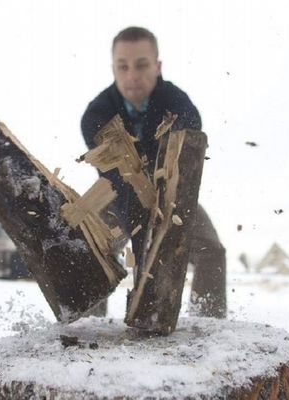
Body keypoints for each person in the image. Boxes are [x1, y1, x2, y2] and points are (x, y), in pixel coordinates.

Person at [81, 26, 226, 318]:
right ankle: (86, 329)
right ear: (113, 69)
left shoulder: (180, 107)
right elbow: (115, 178)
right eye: (123, 66)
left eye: (142, 65)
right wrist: (138, 226)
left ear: (158, 66)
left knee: (212, 250)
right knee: (88, 249)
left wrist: (160, 214)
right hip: (117, 193)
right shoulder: (96, 116)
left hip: (170, 195)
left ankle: (210, 324)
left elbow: (182, 173)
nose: (132, 75)